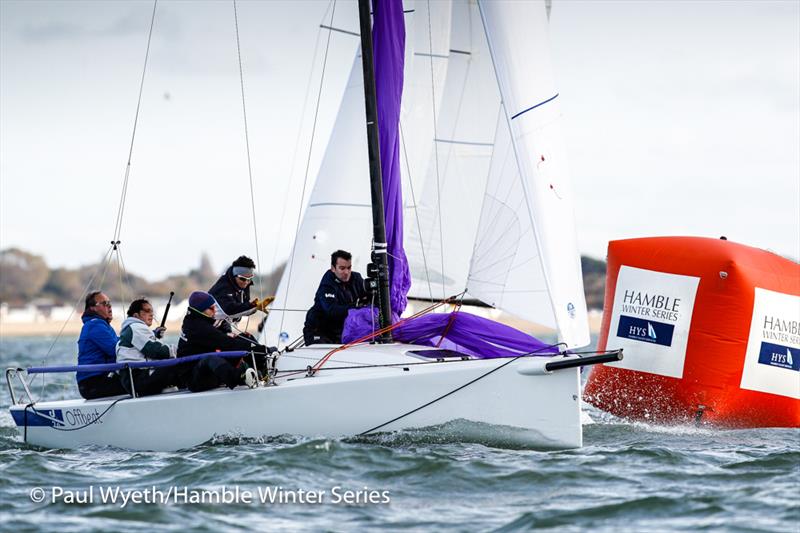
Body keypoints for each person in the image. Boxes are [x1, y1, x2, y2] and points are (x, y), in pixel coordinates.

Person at [177, 291, 267, 392]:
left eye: (215, 307)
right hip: (194, 379)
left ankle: (262, 369)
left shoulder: (198, 319)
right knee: (212, 357)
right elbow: (228, 344)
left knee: (244, 337)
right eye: (211, 308)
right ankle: (240, 378)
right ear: (200, 310)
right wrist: (263, 349)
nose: (215, 311)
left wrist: (258, 348)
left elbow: (224, 340)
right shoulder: (197, 327)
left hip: (206, 371)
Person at [116, 297, 180, 397]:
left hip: (132, 381)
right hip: (138, 380)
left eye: (152, 312)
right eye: (147, 311)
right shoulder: (136, 327)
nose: (151, 314)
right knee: (179, 365)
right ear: (136, 315)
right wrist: (180, 350)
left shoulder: (129, 329)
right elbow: (156, 351)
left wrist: (154, 335)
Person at [303, 249, 368, 345]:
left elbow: (368, 297)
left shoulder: (356, 278)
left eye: (349, 268)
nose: (346, 272)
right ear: (333, 268)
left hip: (341, 332)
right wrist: (356, 305)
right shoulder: (327, 283)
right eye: (342, 268)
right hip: (318, 331)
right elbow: (331, 310)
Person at [77, 291, 127, 399]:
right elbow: (117, 350)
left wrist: (150, 335)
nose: (109, 306)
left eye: (109, 303)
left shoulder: (104, 326)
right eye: (104, 304)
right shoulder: (95, 325)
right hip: (92, 383)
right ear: (93, 308)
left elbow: (122, 341)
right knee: (140, 382)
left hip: (101, 378)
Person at [208, 255, 272, 334]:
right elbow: (230, 310)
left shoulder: (244, 283)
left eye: (249, 279)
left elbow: (243, 306)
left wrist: (254, 306)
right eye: (243, 279)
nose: (246, 282)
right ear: (235, 275)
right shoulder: (223, 288)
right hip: (208, 328)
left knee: (250, 342)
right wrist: (255, 306)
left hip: (224, 323)